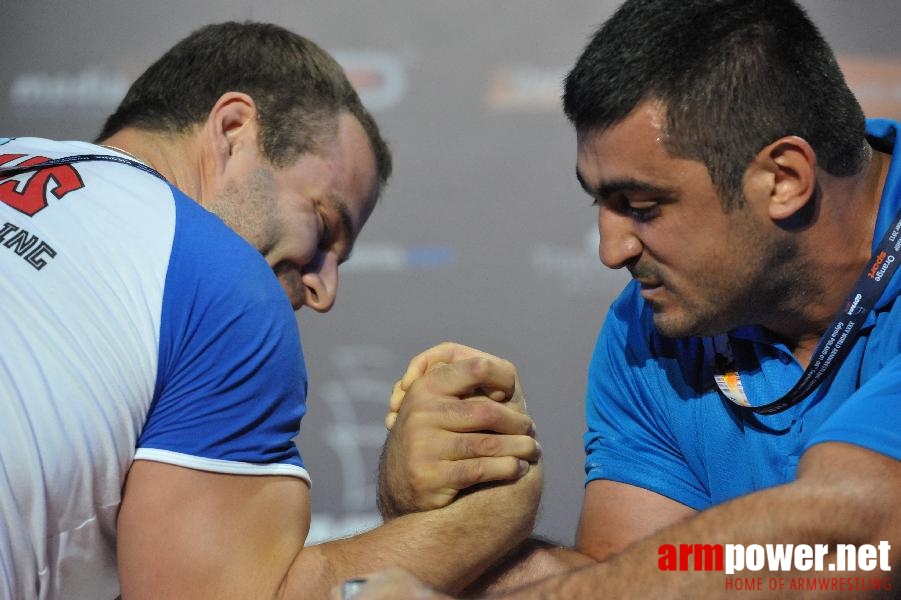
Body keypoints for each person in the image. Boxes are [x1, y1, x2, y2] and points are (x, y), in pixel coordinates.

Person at [363, 0, 900, 597]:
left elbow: (853, 539)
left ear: (783, 180)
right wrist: (434, 510)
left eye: (643, 209)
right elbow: (630, 575)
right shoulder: (647, 329)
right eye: (601, 204)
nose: (611, 250)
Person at [0, 22, 542, 599]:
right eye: (325, 226)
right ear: (234, 131)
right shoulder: (228, 284)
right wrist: (490, 510)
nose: (323, 292)